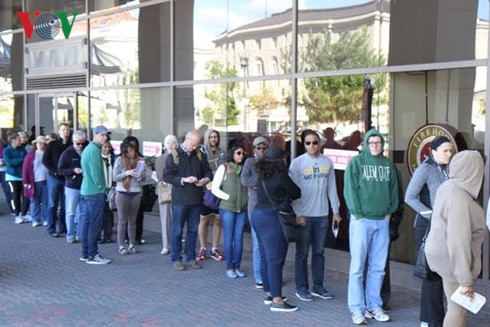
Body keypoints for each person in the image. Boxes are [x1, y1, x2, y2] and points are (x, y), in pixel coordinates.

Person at [344, 128, 398, 325]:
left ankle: (374, 305)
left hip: (382, 221)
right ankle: (356, 308)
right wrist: (357, 214)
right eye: (372, 143)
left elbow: (394, 190)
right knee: (357, 266)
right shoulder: (356, 163)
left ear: (382, 145)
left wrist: (389, 212)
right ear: (365, 144)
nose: (375, 146)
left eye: (379, 143)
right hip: (362, 220)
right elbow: (349, 189)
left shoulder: (388, 165)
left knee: (378, 267)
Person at [425, 150, 485, 327]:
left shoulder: (448, 186)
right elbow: (457, 242)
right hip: (453, 261)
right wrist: (465, 281)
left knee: (456, 306)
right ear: (474, 171)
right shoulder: (460, 198)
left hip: (442, 256)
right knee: (457, 309)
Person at [405, 136, 453, 327]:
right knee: (434, 276)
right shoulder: (425, 169)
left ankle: (426, 319)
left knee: (432, 276)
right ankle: (435, 321)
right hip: (427, 228)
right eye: (445, 151)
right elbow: (410, 197)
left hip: (443, 228)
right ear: (433, 151)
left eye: (451, 151)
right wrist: (431, 215)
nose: (449, 154)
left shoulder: (448, 169)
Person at [289, 129, 341, 302]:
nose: (312, 146)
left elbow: (332, 188)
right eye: (308, 143)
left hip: (322, 215)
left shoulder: (327, 162)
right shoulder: (297, 164)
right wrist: (298, 214)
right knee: (302, 253)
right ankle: (301, 288)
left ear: (320, 143)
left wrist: (336, 211)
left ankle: (318, 286)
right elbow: (293, 192)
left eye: (315, 142)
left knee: (319, 252)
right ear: (304, 144)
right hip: (304, 215)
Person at [251, 146, 301, 312]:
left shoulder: (261, 174)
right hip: (272, 218)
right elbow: (296, 192)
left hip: (257, 215)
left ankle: (269, 294)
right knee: (275, 260)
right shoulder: (281, 175)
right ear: (281, 160)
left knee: (265, 257)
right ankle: (277, 301)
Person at [163, 129, 212, 271]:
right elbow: (167, 176)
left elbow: (208, 171)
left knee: (192, 230)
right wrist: (184, 180)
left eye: (198, 145)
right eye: (195, 144)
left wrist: (205, 179)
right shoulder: (174, 155)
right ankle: (176, 258)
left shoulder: (200, 155)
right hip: (180, 200)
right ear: (188, 139)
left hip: (196, 199)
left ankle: (191, 257)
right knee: (177, 230)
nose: (196, 147)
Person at [212, 144, 248, 278]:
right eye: (238, 153)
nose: (241, 155)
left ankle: (237, 266)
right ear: (232, 153)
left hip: (242, 208)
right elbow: (215, 188)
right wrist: (228, 197)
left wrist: (247, 199)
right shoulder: (224, 167)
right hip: (228, 208)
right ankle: (229, 267)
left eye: (243, 153)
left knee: (239, 237)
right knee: (229, 236)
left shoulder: (245, 168)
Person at [79, 125, 111, 264]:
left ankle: (86, 253)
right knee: (94, 225)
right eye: (102, 135)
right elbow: (96, 174)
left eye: (106, 135)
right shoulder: (94, 150)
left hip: (87, 191)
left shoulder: (89, 149)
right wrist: (103, 189)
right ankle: (93, 255)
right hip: (95, 192)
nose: (105, 137)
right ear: (95, 135)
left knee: (87, 223)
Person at [241, 136, 269, 288]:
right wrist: (260, 182)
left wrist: (259, 185)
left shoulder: (271, 162)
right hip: (254, 207)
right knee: (258, 243)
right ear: (254, 149)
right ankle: (259, 276)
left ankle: (268, 274)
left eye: (265, 148)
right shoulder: (250, 162)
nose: (262, 151)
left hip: (269, 207)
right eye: (259, 148)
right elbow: (244, 181)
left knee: (269, 243)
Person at [196, 129, 225, 262]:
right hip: (205, 190)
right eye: (211, 137)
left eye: (216, 137)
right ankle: (203, 248)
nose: (214, 139)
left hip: (220, 190)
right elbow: (198, 170)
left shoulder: (222, 153)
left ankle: (215, 248)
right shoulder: (201, 152)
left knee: (218, 220)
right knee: (204, 220)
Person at [113, 141, 145, 255]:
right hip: (122, 191)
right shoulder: (119, 160)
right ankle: (121, 245)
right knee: (122, 220)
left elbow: (144, 178)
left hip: (136, 191)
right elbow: (115, 177)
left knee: (133, 220)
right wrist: (127, 173)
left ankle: (132, 244)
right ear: (125, 153)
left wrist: (141, 176)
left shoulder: (140, 160)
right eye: (129, 151)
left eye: (133, 150)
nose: (132, 153)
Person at [43, 123, 71, 237]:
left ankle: (63, 227)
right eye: (63, 130)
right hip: (54, 177)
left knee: (65, 204)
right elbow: (45, 160)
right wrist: (54, 171)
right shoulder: (53, 144)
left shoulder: (71, 145)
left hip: (66, 178)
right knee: (52, 203)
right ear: (59, 132)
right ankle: (51, 228)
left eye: (68, 130)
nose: (66, 132)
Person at [58, 130, 86, 244]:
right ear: (73, 141)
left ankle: (80, 234)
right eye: (78, 143)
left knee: (82, 212)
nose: (80, 146)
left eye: (82, 143)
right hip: (72, 186)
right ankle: (70, 234)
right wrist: (73, 171)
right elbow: (60, 170)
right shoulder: (67, 153)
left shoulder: (86, 150)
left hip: (84, 185)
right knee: (70, 212)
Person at [154, 134, 178, 255]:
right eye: (168, 143)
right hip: (164, 191)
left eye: (173, 143)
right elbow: (160, 176)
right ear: (165, 145)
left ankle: (175, 244)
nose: (171, 145)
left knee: (176, 219)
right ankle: (165, 245)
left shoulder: (179, 158)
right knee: (164, 219)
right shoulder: (160, 159)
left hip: (178, 192)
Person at [22, 136, 49, 227]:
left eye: (42, 143)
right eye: (38, 143)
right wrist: (26, 181)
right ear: (35, 144)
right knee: (35, 201)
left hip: (47, 180)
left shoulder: (47, 154)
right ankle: (35, 219)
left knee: (46, 201)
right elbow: (25, 168)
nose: (40, 144)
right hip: (35, 181)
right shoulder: (31, 155)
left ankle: (46, 219)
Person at [3, 132, 29, 223]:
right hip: (12, 176)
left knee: (26, 195)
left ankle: (24, 213)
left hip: (22, 175)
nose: (20, 141)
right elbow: (10, 163)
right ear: (13, 141)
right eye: (19, 139)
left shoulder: (22, 149)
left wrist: (20, 161)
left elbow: (27, 159)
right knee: (15, 195)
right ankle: (17, 214)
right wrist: (21, 160)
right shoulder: (6, 150)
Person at [100, 140, 115, 244]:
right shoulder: (98, 158)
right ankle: (98, 235)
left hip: (111, 188)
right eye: (105, 147)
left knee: (109, 213)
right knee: (100, 213)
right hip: (100, 188)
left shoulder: (114, 159)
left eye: (109, 147)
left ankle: (108, 235)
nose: (107, 149)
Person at [0, 138, 14, 214]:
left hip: (4, 171)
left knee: (8, 190)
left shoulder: (5, 149)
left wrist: (4, 162)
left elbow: (8, 158)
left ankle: (12, 209)